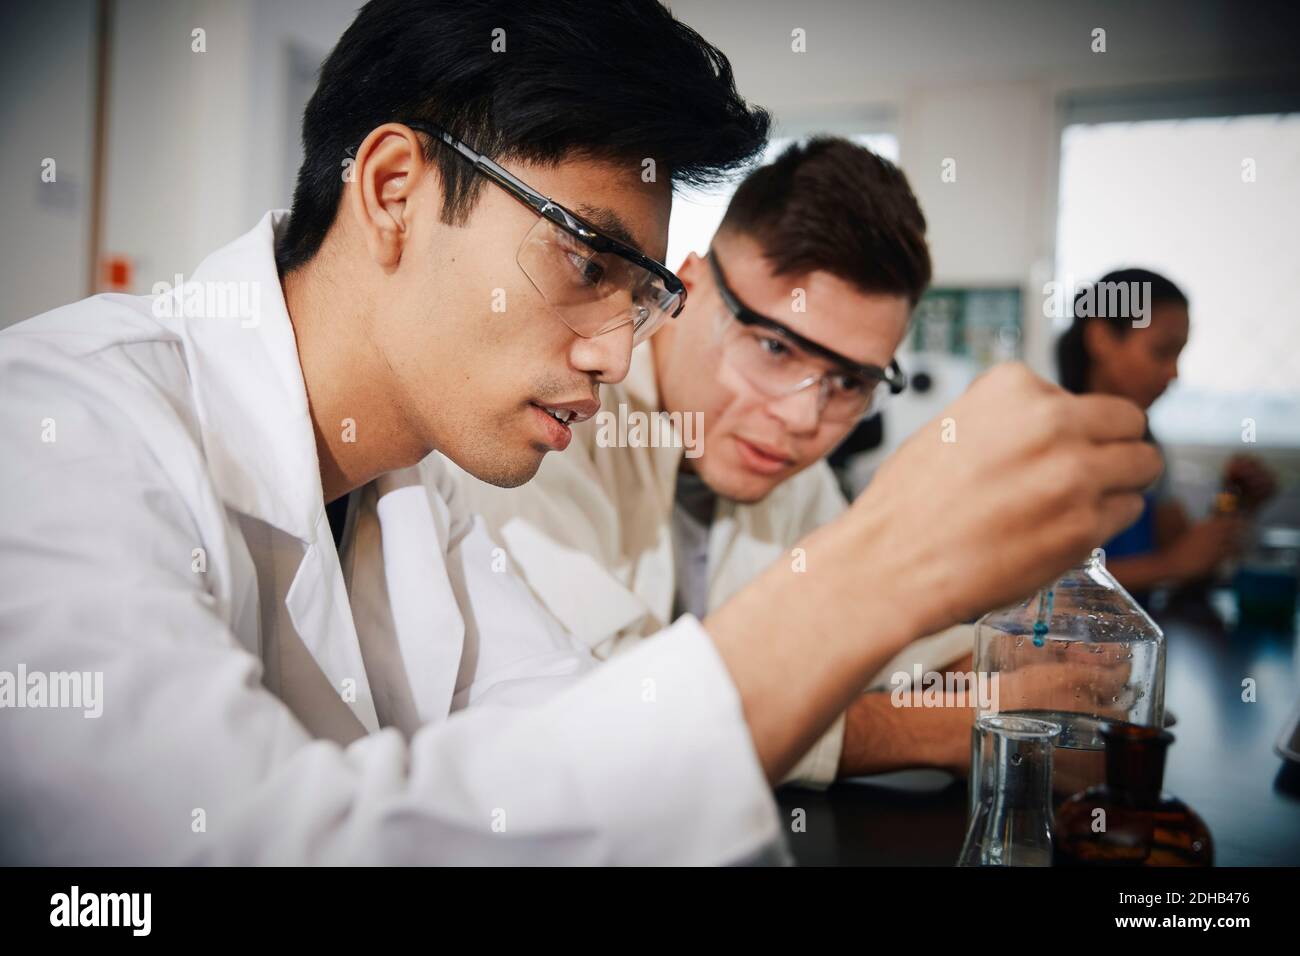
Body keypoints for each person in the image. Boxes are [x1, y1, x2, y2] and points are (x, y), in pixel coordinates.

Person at [0, 0, 1161, 865]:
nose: (618, 356)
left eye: (638, 288)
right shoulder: (54, 424)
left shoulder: (420, 485)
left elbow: (593, 750)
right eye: (585, 259)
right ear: (396, 188)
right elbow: (236, 846)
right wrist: (884, 570)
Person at [448, 138, 975, 786]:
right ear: (688, 290)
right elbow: (607, 718)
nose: (802, 420)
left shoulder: (787, 470)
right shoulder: (562, 415)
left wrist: (1025, 686)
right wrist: (942, 732)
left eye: (848, 383)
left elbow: (912, 655)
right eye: (776, 348)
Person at [1056, 268, 1276, 600]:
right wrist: (1168, 565)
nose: (1173, 373)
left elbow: (1188, 558)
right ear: (1100, 338)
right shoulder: (1049, 438)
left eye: (1179, 355)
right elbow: (1035, 582)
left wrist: (1233, 504)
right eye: (1161, 352)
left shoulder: (1145, 444)